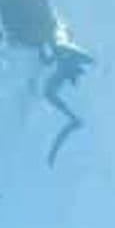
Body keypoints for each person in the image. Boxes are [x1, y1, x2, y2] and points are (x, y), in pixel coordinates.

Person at [41, 24, 95, 166]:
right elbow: (48, 60)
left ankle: (74, 117)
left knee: (49, 92)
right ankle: (73, 117)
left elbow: (87, 58)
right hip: (67, 73)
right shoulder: (61, 48)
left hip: (70, 72)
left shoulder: (64, 46)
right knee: (48, 92)